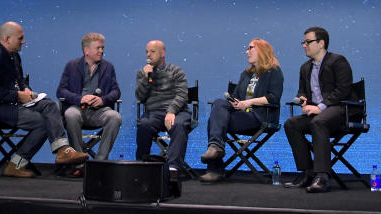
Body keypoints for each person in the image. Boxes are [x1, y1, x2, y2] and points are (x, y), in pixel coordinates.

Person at [0, 21, 89, 177]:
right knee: (44, 122)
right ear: (7, 38)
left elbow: (19, 80)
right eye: (20, 38)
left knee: (50, 105)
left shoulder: (14, 56)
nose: (24, 41)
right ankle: (16, 164)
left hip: (13, 103)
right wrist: (17, 96)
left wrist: (25, 89)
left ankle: (63, 149)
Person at [199, 38, 283, 183]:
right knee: (219, 106)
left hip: (261, 117)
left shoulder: (273, 71)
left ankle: (215, 169)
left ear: (262, 50)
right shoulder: (246, 74)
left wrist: (248, 102)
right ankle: (216, 148)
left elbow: (273, 98)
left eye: (250, 48)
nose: (247, 51)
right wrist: (236, 102)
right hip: (242, 116)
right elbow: (236, 97)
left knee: (216, 121)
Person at [282, 26, 353, 193]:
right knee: (291, 124)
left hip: (340, 110)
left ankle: (322, 177)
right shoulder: (305, 68)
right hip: (319, 113)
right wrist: (303, 100)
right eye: (303, 42)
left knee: (319, 121)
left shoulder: (338, 61)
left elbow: (343, 90)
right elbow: (302, 91)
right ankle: (308, 173)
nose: (304, 45)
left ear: (321, 43)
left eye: (308, 42)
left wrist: (320, 107)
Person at [57, 32, 122, 164]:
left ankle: (100, 162)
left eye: (102, 48)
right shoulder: (72, 65)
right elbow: (61, 91)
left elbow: (116, 91)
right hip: (77, 108)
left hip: (99, 111)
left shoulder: (108, 67)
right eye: (98, 48)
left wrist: (102, 100)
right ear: (86, 50)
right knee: (70, 114)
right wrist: (80, 98)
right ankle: (78, 161)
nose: (101, 51)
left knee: (115, 117)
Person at [135, 40, 190, 173]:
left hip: (178, 111)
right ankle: (141, 166)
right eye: (147, 52)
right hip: (154, 113)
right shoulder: (142, 73)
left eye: (152, 52)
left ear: (163, 53)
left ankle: (173, 168)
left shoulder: (176, 71)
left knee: (179, 124)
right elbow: (140, 97)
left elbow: (182, 95)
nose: (148, 55)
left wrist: (171, 111)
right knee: (143, 125)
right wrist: (145, 78)